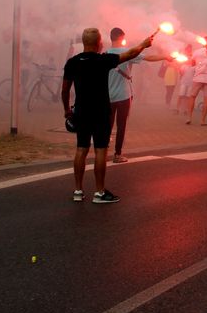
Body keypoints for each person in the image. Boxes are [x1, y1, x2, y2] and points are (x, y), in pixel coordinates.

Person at [61, 27, 153, 204]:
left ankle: (78, 191)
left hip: (81, 111)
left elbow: (65, 90)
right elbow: (130, 54)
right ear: (98, 43)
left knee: (81, 149)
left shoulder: (72, 62)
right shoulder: (103, 60)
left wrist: (67, 110)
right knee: (100, 150)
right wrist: (144, 44)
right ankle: (99, 192)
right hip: (101, 111)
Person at [106, 27, 167, 163]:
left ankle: (102, 153)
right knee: (121, 125)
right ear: (122, 37)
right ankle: (117, 154)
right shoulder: (127, 53)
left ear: (111, 38)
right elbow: (149, 57)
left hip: (108, 96)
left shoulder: (105, 54)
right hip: (124, 95)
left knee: (107, 126)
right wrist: (165, 56)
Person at [187, 37, 207, 127]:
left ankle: (189, 118)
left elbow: (192, 64)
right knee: (206, 100)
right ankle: (203, 120)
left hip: (198, 77)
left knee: (192, 97)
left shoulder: (196, 52)